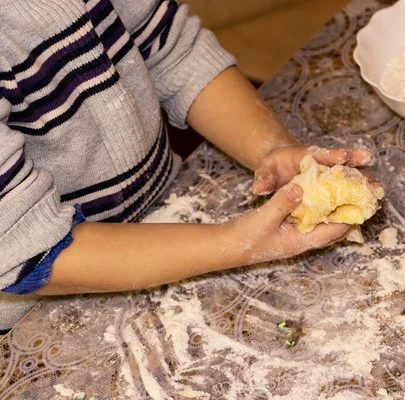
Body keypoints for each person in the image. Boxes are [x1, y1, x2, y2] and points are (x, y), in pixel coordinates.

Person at [0, 0, 376, 333]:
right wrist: (234, 243)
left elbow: (177, 54)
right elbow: (27, 251)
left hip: (161, 214)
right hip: (37, 310)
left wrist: (272, 149)